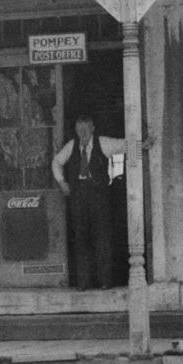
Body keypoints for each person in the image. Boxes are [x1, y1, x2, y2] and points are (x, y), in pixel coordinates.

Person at [51, 114, 128, 290]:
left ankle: (105, 281)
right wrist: (62, 182)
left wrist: (143, 144)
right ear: (76, 130)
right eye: (79, 129)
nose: (82, 132)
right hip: (79, 198)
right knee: (81, 239)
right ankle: (83, 283)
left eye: (86, 128)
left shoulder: (103, 143)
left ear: (92, 128)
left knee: (103, 238)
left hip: (99, 198)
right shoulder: (72, 146)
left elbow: (124, 145)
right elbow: (56, 161)